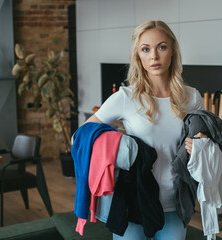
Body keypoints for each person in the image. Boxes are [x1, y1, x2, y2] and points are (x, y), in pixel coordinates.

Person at [83, 20, 206, 239]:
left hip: (175, 204)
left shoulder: (192, 97)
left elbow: (204, 141)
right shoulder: (125, 98)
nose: (154, 57)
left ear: (173, 50)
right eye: (145, 49)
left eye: (162, 47)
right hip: (132, 202)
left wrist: (202, 143)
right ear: (138, 56)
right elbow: (79, 138)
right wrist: (117, 144)